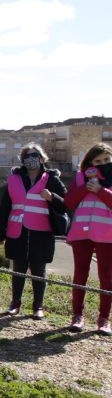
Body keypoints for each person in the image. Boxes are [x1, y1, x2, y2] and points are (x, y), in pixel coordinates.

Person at [0, 143, 67, 319]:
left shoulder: (52, 179)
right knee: (18, 269)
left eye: (35, 155)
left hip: (41, 232)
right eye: (27, 156)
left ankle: (38, 306)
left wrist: (52, 197)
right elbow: (4, 207)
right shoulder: (14, 178)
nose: (31, 159)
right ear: (22, 160)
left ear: (42, 158)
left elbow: (66, 203)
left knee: (38, 270)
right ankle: (15, 303)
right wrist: (0, 232)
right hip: (17, 231)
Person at [65, 142, 112, 334]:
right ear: (90, 162)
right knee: (80, 275)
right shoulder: (79, 178)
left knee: (107, 277)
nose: (102, 164)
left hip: (107, 234)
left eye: (107, 160)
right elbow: (68, 201)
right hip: (82, 233)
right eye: (98, 160)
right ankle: (77, 316)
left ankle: (104, 319)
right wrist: (85, 186)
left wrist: (100, 190)